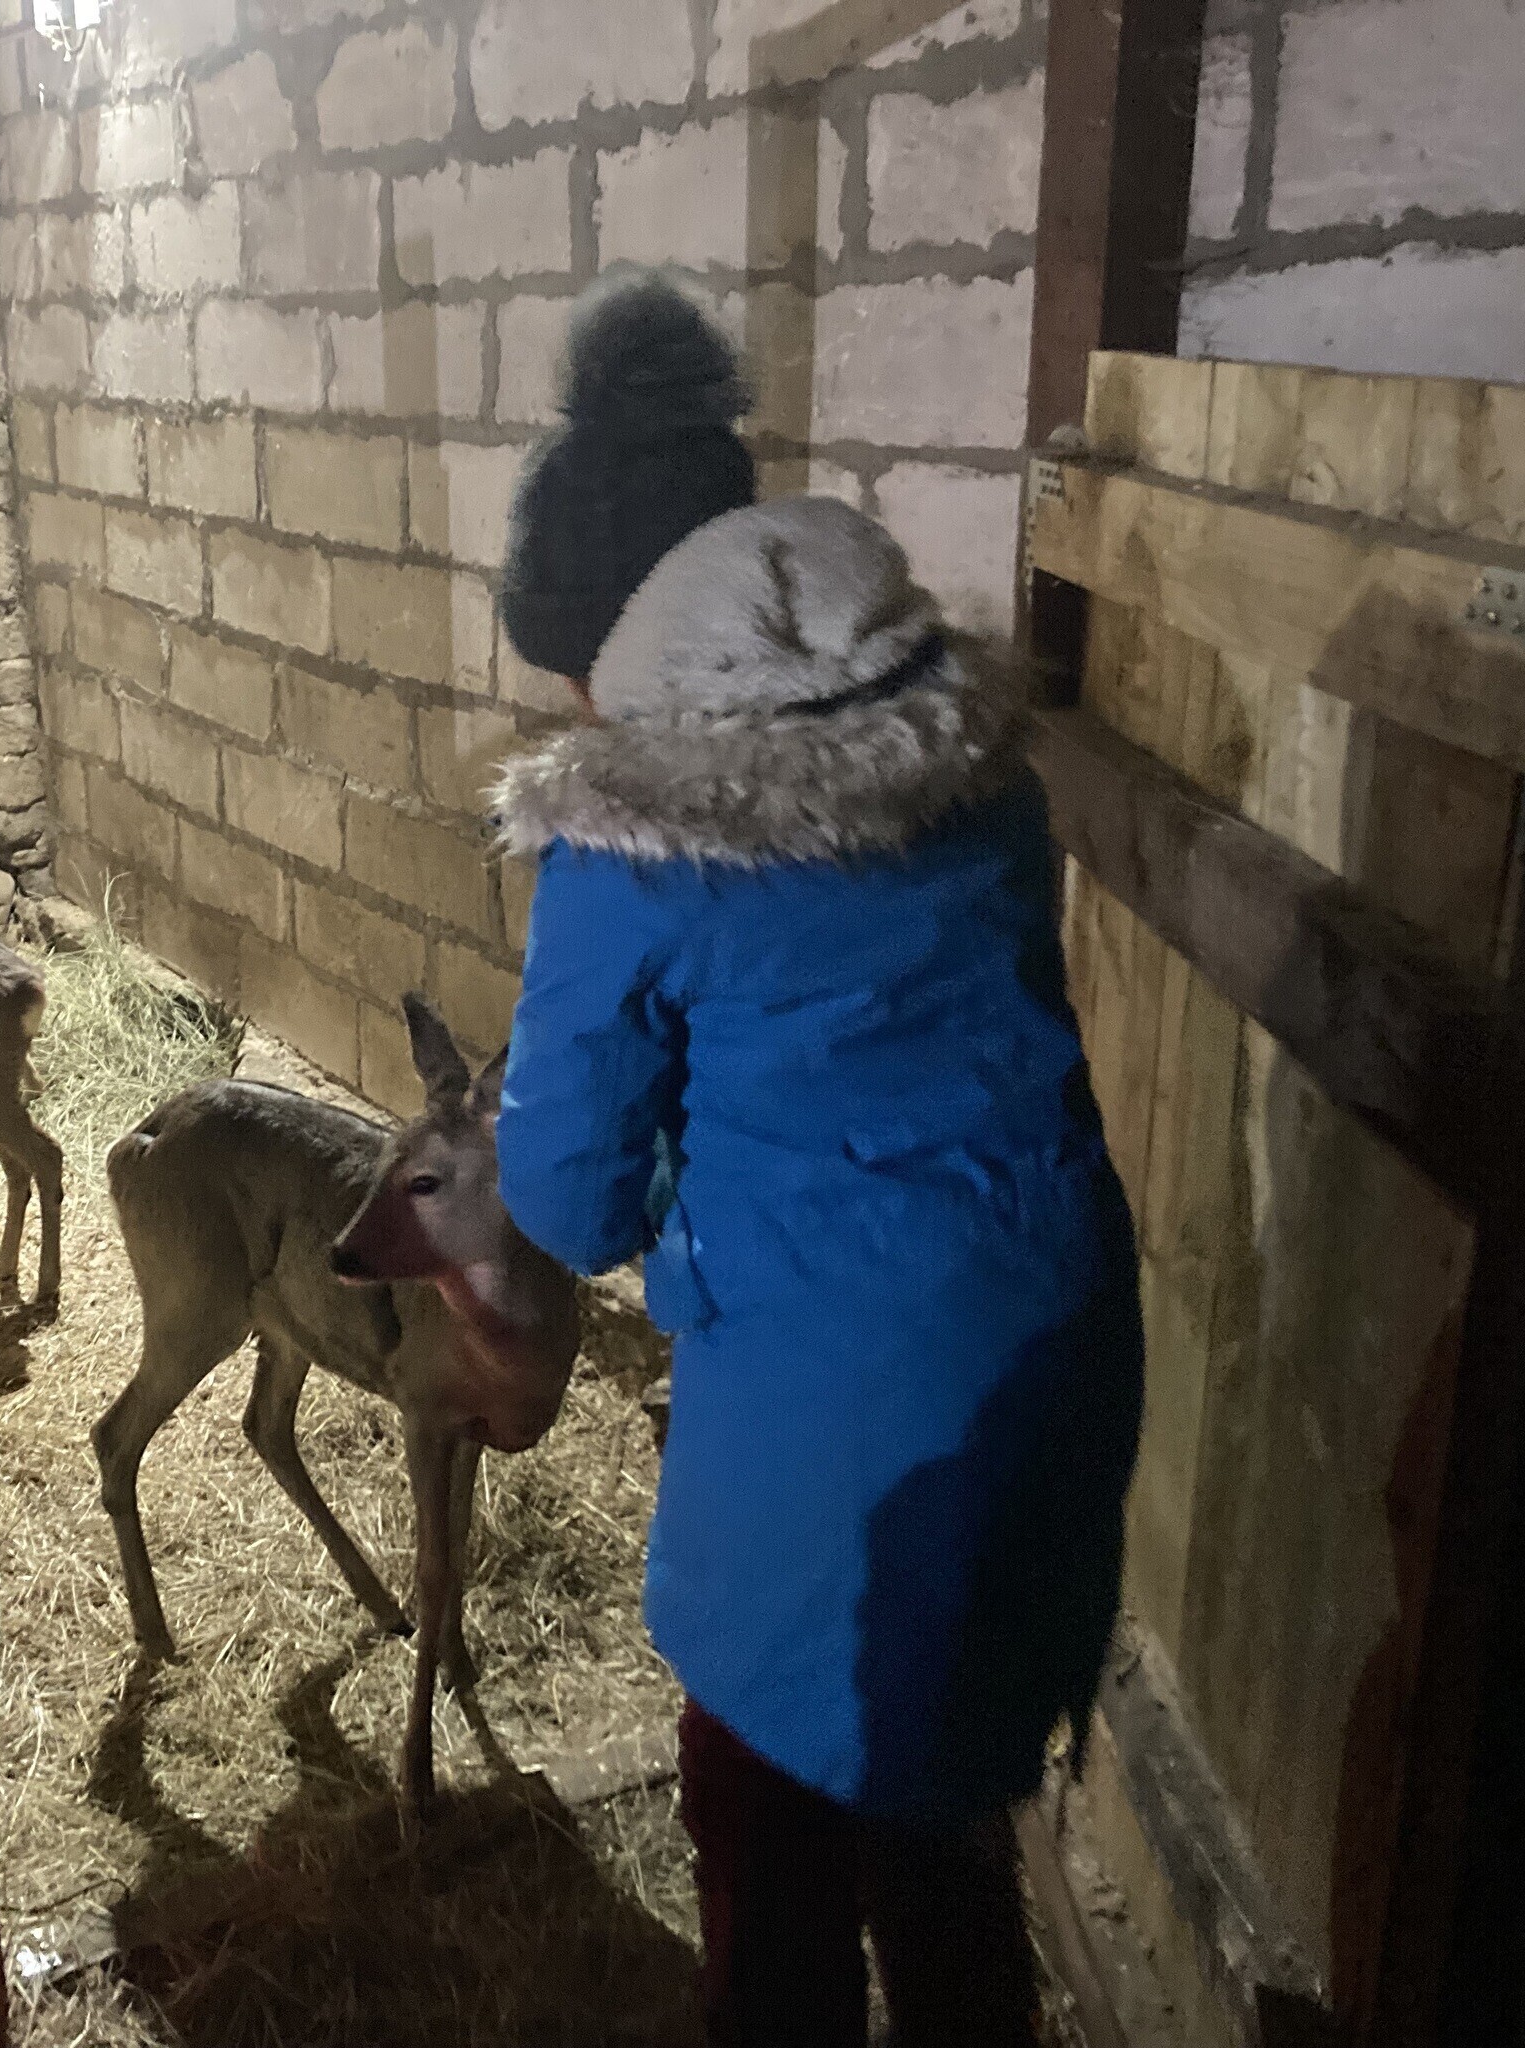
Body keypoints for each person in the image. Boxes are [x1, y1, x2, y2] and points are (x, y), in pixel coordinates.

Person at [491, 276, 1144, 2048]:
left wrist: (661, 1191)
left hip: (831, 1407)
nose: (574, 703)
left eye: (572, 665)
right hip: (1051, 1343)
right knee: (947, 1829)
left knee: (766, 1838)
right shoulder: (973, 771)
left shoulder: (631, 844)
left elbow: (566, 1199)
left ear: (635, 633)